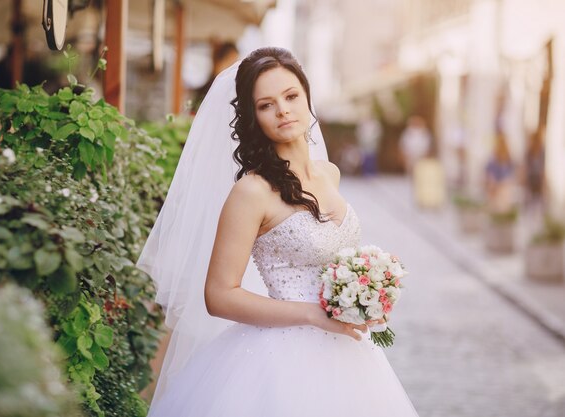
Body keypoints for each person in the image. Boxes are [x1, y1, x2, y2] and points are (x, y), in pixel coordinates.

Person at [138, 47, 418, 417]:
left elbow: (331, 258)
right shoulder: (252, 192)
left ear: (306, 97)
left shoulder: (329, 173)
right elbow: (219, 296)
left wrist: (366, 290)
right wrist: (311, 314)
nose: (283, 110)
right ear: (253, 118)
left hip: (350, 351)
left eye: (290, 96)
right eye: (266, 105)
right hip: (281, 358)